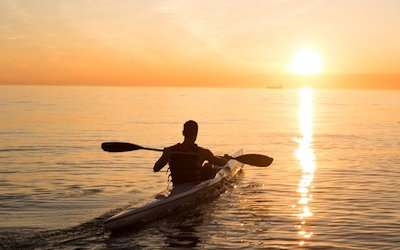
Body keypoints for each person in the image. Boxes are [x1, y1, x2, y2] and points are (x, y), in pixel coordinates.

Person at [153, 120, 231, 185]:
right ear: (196, 134)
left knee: (208, 165)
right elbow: (221, 163)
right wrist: (227, 159)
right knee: (209, 166)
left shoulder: (170, 151)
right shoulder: (202, 152)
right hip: (194, 185)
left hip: (177, 185)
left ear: (183, 133)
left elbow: (156, 168)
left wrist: (164, 154)